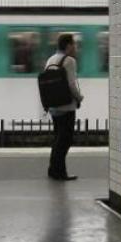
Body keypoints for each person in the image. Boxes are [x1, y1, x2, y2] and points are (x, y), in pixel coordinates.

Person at [45, 34, 84, 181]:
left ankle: (53, 169)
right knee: (65, 140)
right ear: (68, 46)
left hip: (54, 105)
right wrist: (79, 98)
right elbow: (71, 84)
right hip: (66, 106)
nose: (75, 48)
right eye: (74, 45)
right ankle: (59, 172)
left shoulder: (51, 59)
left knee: (57, 138)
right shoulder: (69, 61)